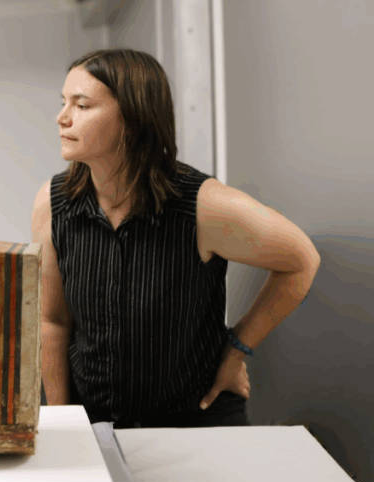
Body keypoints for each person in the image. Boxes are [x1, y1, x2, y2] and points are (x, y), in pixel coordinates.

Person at [30, 48, 320, 429]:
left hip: (196, 419)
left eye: (82, 105)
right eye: (64, 102)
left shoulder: (203, 205)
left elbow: (301, 261)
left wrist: (237, 349)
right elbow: (52, 321)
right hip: (95, 419)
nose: (62, 117)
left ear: (133, 117)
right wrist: (60, 422)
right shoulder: (54, 204)